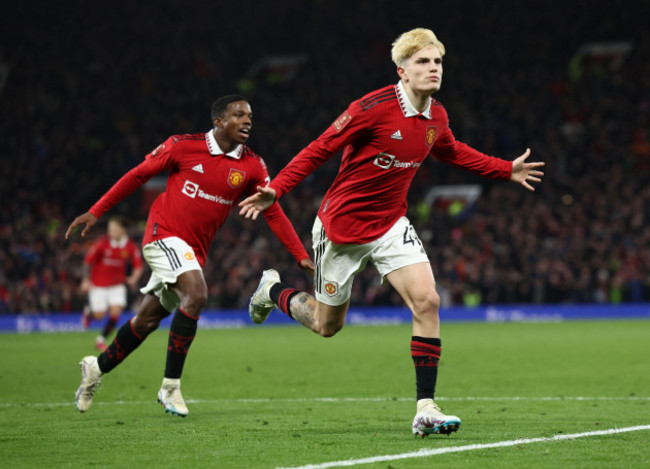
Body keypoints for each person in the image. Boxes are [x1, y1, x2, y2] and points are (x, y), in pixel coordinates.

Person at [239, 28, 544, 437]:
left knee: (428, 300)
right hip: (342, 231)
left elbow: (451, 150)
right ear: (402, 71)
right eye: (423, 62)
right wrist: (277, 188)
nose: (433, 68)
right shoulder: (370, 108)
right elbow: (319, 148)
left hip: (390, 224)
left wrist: (504, 168)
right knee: (326, 325)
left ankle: (426, 407)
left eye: (437, 61)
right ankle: (271, 292)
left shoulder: (437, 115)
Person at [66, 94, 314, 417]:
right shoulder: (182, 147)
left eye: (250, 116)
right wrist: (97, 211)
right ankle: (170, 387)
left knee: (147, 319)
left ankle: (95, 369)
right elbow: (138, 175)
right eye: (239, 115)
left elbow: (272, 209)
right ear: (218, 121)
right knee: (196, 295)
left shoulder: (252, 165)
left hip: (193, 252)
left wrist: (299, 255)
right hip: (162, 236)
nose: (247, 121)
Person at [80, 216, 144, 351]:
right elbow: (87, 262)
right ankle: (89, 312)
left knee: (116, 312)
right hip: (99, 285)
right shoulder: (102, 243)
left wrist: (134, 277)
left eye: (114, 229)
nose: (111, 232)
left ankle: (101, 339)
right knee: (100, 315)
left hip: (117, 285)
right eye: (110, 229)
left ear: (123, 230)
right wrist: (86, 280)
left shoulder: (130, 246)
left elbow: (138, 265)